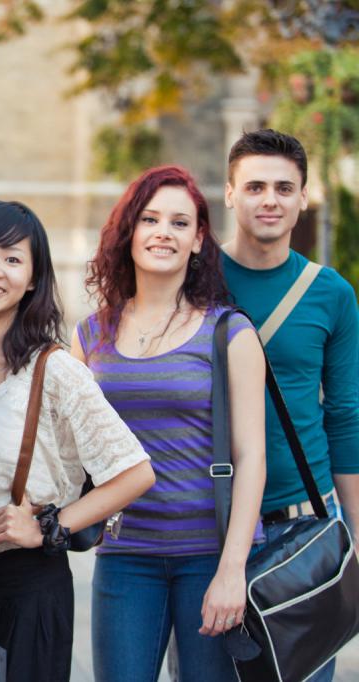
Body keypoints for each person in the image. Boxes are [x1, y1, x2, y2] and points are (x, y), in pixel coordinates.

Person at [0, 200, 155, 681]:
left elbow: (135, 472)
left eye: (13, 259)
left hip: (27, 592)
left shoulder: (55, 370)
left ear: (33, 279)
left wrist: (50, 527)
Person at [72, 165, 266, 682]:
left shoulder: (230, 333)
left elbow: (251, 458)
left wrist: (232, 571)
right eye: (150, 219)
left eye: (180, 223)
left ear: (199, 239)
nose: (163, 232)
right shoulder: (90, 335)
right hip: (125, 556)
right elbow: (71, 455)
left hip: (208, 555)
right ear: (128, 231)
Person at [221, 128, 359, 682]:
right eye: (255, 186)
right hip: (207, 524)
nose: (270, 199)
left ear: (304, 197)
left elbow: (346, 417)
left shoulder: (332, 294)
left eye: (284, 187)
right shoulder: (192, 279)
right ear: (230, 194)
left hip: (301, 530)